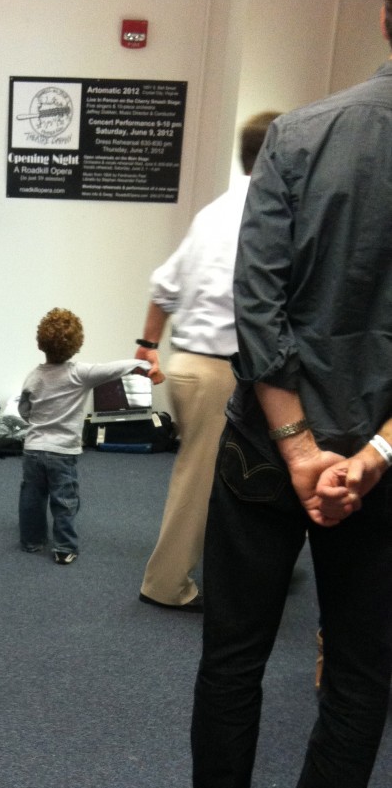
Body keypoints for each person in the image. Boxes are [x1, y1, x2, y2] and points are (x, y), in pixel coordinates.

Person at [182, 0, 392, 788]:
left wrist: (302, 447)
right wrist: (374, 454)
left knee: (234, 649)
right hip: (383, 472)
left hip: (267, 452)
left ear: (385, 18)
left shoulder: (301, 134)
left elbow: (253, 306)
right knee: (358, 671)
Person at [136, 111, 279, 613]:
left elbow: (163, 285)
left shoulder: (215, 211)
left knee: (225, 475)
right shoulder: (267, 214)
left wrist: (147, 345)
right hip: (218, 371)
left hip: (187, 365)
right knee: (197, 484)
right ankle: (165, 584)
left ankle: (246, 563)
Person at [18, 307, 159, 564]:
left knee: (32, 497)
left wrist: (34, 422)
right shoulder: (80, 374)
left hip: (33, 450)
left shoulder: (34, 376)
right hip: (63, 453)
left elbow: (24, 409)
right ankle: (64, 548)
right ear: (76, 345)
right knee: (65, 501)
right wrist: (144, 363)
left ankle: (32, 541)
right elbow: (114, 369)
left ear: (41, 342)